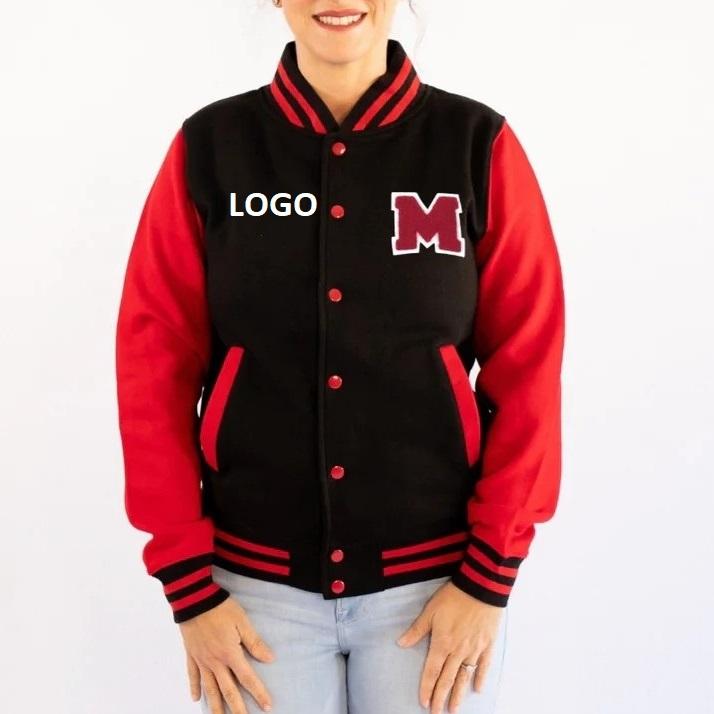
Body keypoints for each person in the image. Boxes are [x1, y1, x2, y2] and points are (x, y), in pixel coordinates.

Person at [114, 1, 565, 712]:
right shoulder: (213, 147)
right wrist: (188, 585)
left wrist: (488, 577)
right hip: (250, 597)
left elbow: (530, 365)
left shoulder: (475, 145)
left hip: (439, 591)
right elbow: (153, 365)